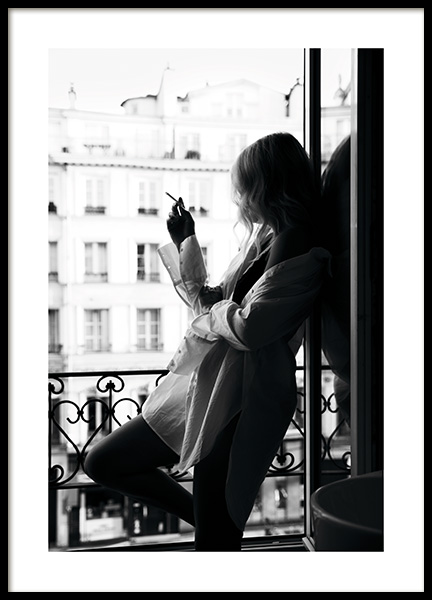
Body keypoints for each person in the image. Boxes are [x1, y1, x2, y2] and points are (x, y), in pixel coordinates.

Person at [84, 132, 331, 551]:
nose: (240, 199)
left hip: (242, 396)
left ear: (266, 185)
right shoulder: (267, 238)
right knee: (103, 461)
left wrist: (217, 312)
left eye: (245, 187)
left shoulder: (297, 238)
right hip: (211, 385)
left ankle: (212, 528)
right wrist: (186, 241)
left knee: (215, 536)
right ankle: (208, 523)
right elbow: (214, 305)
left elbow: (250, 327)